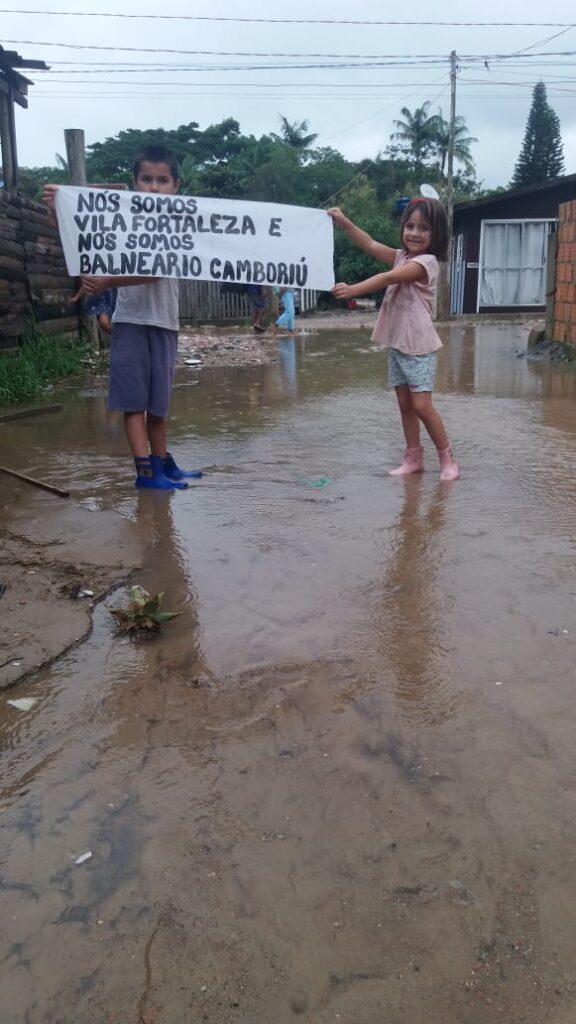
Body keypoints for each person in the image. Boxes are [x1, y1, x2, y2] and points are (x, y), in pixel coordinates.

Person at [42, 146, 202, 491]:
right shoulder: (122, 219)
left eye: (162, 180)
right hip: (130, 320)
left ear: (176, 186)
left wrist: (109, 281)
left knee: (158, 404)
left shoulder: (179, 222)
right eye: (147, 179)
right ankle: (146, 473)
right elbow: (81, 237)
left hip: (165, 322)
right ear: (135, 183)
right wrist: (61, 207)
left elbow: (158, 272)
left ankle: (163, 463)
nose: (154, 187)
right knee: (135, 403)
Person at [328, 198, 459, 481]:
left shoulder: (426, 263)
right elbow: (371, 244)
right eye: (410, 225)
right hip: (398, 344)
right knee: (404, 404)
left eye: (424, 228)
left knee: (422, 406)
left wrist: (353, 290)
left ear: (436, 234)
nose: (414, 233)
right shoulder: (402, 255)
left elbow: (388, 278)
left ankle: (447, 459)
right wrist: (344, 222)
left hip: (420, 348)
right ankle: (413, 458)